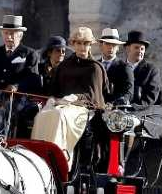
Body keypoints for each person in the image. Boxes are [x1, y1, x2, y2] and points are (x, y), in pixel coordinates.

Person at [33, 27, 107, 167]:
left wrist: (73, 98)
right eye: (78, 43)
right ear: (73, 44)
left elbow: (93, 97)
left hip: (85, 109)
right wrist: (53, 100)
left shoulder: (95, 67)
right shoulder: (64, 66)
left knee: (60, 115)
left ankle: (58, 159)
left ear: (90, 45)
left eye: (85, 43)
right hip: (61, 104)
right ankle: (38, 158)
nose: (82, 47)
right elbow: (54, 91)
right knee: (42, 115)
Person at [0, 14, 41, 136]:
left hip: (18, 98)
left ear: (20, 35)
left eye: (13, 33)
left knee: (0, 112)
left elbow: (34, 79)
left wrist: (17, 86)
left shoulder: (29, 54)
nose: (9, 37)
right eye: (6, 33)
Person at [96, 27, 133, 105]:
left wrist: (117, 102)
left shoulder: (125, 67)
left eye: (114, 45)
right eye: (107, 44)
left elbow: (129, 92)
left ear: (118, 48)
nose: (110, 47)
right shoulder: (95, 66)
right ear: (101, 46)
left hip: (116, 110)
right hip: (95, 108)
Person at [124, 31, 161, 106]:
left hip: (142, 113)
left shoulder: (151, 70)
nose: (140, 51)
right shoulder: (118, 68)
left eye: (142, 49)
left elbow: (152, 95)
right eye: (136, 47)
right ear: (128, 48)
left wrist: (136, 107)